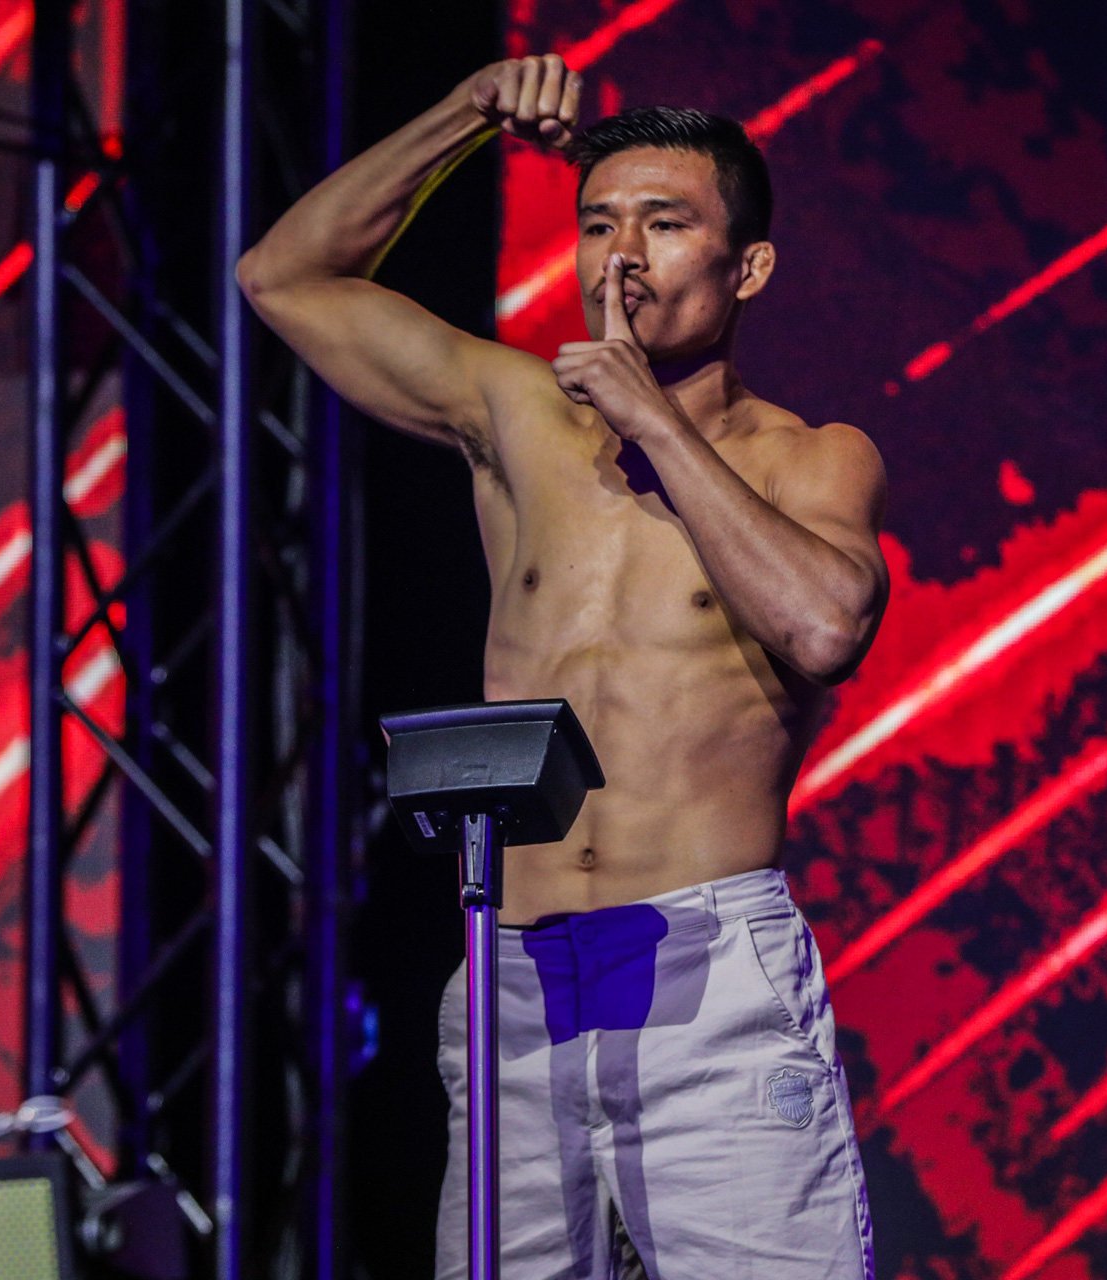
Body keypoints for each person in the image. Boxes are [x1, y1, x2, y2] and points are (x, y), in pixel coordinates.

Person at [239, 52, 887, 1280]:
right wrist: (462, 114)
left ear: (747, 266)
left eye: (665, 223)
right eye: (598, 224)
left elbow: (826, 628)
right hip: (516, 972)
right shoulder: (516, 414)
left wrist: (653, 422)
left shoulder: (811, 457)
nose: (621, 257)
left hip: (705, 970)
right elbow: (284, 277)